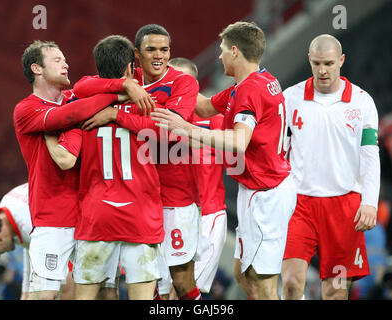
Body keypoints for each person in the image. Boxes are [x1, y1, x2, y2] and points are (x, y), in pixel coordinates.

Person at [151, 21, 297, 300]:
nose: (218, 56)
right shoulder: (258, 82)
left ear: (234, 51)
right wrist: (172, 84)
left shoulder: (248, 91)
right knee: (243, 274)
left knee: (263, 283)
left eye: (221, 50)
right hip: (257, 190)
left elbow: (239, 141)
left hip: (266, 195)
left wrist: (187, 129)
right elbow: (204, 106)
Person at [13, 40, 153, 300]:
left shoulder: (75, 99)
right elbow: (66, 117)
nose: (66, 64)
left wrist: (124, 86)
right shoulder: (27, 109)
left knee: (106, 293)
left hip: (91, 216)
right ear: (37, 68)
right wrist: (122, 91)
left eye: (65, 59)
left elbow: (86, 89)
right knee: (45, 295)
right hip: (52, 218)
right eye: (57, 60)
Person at [70, 25, 201, 300]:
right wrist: (125, 84)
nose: (159, 56)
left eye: (164, 50)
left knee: (178, 280)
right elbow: (81, 84)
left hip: (173, 197)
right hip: (140, 200)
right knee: (147, 288)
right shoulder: (132, 79)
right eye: (151, 49)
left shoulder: (183, 83)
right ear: (136, 55)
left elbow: (168, 131)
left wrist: (115, 115)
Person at [281, 34, 380, 300]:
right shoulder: (290, 98)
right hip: (299, 203)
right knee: (290, 281)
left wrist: (369, 202)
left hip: (344, 205)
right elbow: (278, 150)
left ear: (341, 61)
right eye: (316, 64)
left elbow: (370, 155)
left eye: (328, 63)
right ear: (309, 61)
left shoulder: (362, 101)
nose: (322, 70)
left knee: (335, 292)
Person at [168, 57, 228, 297]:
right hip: (169, 213)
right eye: (173, 80)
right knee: (161, 288)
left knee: (184, 288)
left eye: (185, 81)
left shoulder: (216, 120)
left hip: (207, 216)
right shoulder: (158, 118)